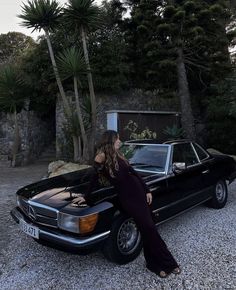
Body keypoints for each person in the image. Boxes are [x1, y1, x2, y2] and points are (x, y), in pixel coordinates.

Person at [80, 130, 181, 278]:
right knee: (149, 229)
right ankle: (170, 263)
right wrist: (86, 197)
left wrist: (147, 190)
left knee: (148, 229)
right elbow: (94, 179)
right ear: (111, 140)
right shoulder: (101, 157)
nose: (120, 142)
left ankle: (153, 264)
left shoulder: (119, 155)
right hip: (128, 199)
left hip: (139, 193)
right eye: (118, 139)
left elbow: (134, 173)